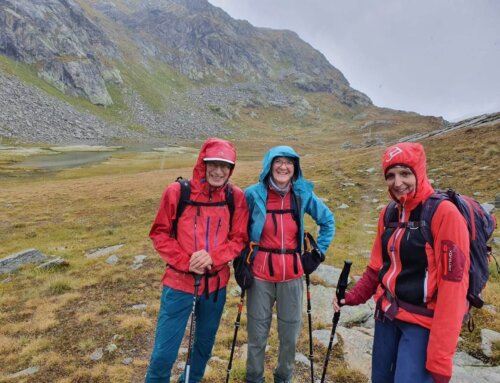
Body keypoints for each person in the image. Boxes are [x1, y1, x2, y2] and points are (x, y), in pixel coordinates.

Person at [333, 142, 470, 383]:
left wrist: (440, 357)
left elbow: (454, 290)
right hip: (386, 316)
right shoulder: (388, 213)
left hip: (421, 324)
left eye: (405, 173)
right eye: (390, 175)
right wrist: (353, 297)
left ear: (419, 172)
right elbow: (377, 267)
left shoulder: (444, 214)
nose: (398, 183)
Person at [145, 137, 249, 383]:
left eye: (225, 166)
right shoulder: (177, 192)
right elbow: (159, 233)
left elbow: (239, 238)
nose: (218, 171)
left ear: (231, 169)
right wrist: (186, 260)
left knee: (203, 348)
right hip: (178, 283)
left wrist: (212, 258)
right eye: (213, 163)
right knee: (164, 352)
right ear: (202, 163)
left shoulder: (236, 197)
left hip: (215, 287)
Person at [244, 145, 335, 383]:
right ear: (269, 165)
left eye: (289, 162)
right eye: (278, 161)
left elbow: (328, 221)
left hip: (292, 276)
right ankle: (254, 378)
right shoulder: (253, 194)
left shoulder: (302, 194)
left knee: (290, 337)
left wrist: (317, 254)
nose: (283, 167)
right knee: (256, 336)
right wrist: (240, 262)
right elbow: (238, 230)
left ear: (295, 168)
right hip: (260, 276)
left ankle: (283, 378)